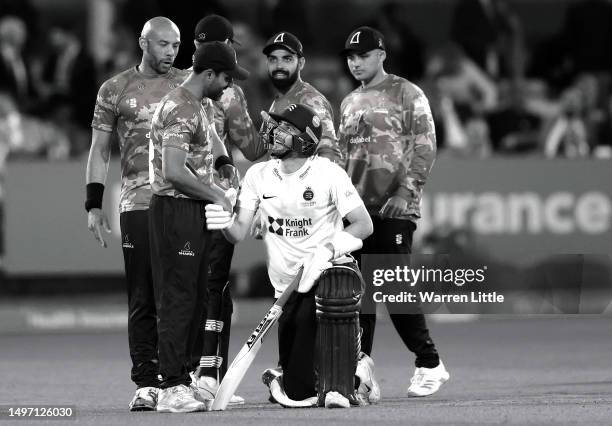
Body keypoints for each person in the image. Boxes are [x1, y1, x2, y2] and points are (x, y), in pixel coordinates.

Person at [205, 103, 374, 408]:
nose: (272, 133)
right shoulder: (258, 175)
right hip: (285, 289)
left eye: (283, 129)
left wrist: (328, 249)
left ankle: (350, 377)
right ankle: (351, 375)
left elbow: (364, 225)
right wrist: (225, 224)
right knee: (300, 392)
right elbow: (240, 232)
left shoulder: (328, 173)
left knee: (311, 387)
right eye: (274, 127)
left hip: (324, 277)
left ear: (304, 138)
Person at [338, 26, 450, 398]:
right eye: (351, 56)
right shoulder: (349, 101)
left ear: (381, 54)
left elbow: (426, 145)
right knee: (358, 293)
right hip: (356, 212)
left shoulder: (406, 92)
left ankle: (430, 363)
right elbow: (342, 157)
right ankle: (360, 367)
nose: (356, 62)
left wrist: (407, 190)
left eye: (364, 55)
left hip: (393, 207)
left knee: (395, 287)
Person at [85, 16, 186, 412]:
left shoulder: (187, 85)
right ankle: (146, 381)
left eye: (176, 46)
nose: (171, 53)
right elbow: (99, 149)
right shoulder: (115, 89)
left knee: (180, 295)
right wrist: (93, 203)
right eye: (163, 44)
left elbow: (208, 136)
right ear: (144, 43)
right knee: (143, 294)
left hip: (181, 203)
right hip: (137, 204)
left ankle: (181, 377)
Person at [148, 40, 248, 413]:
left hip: (192, 210)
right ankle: (170, 385)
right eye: (225, 77)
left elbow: (211, 136)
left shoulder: (201, 104)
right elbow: (173, 172)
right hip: (176, 211)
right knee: (178, 296)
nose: (228, 84)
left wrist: (222, 161)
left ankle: (184, 378)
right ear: (208, 74)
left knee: (193, 295)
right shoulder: (179, 108)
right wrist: (217, 194)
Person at [187, 16, 262, 406]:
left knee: (189, 286)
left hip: (181, 199)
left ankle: (185, 375)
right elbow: (251, 148)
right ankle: (210, 376)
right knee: (217, 288)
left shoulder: (178, 85)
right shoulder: (229, 92)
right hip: (218, 197)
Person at [262, 31, 340, 162]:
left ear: (301, 63)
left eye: (287, 59)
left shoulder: (310, 99)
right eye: (273, 59)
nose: (279, 65)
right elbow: (272, 155)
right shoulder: (278, 100)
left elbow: (329, 153)